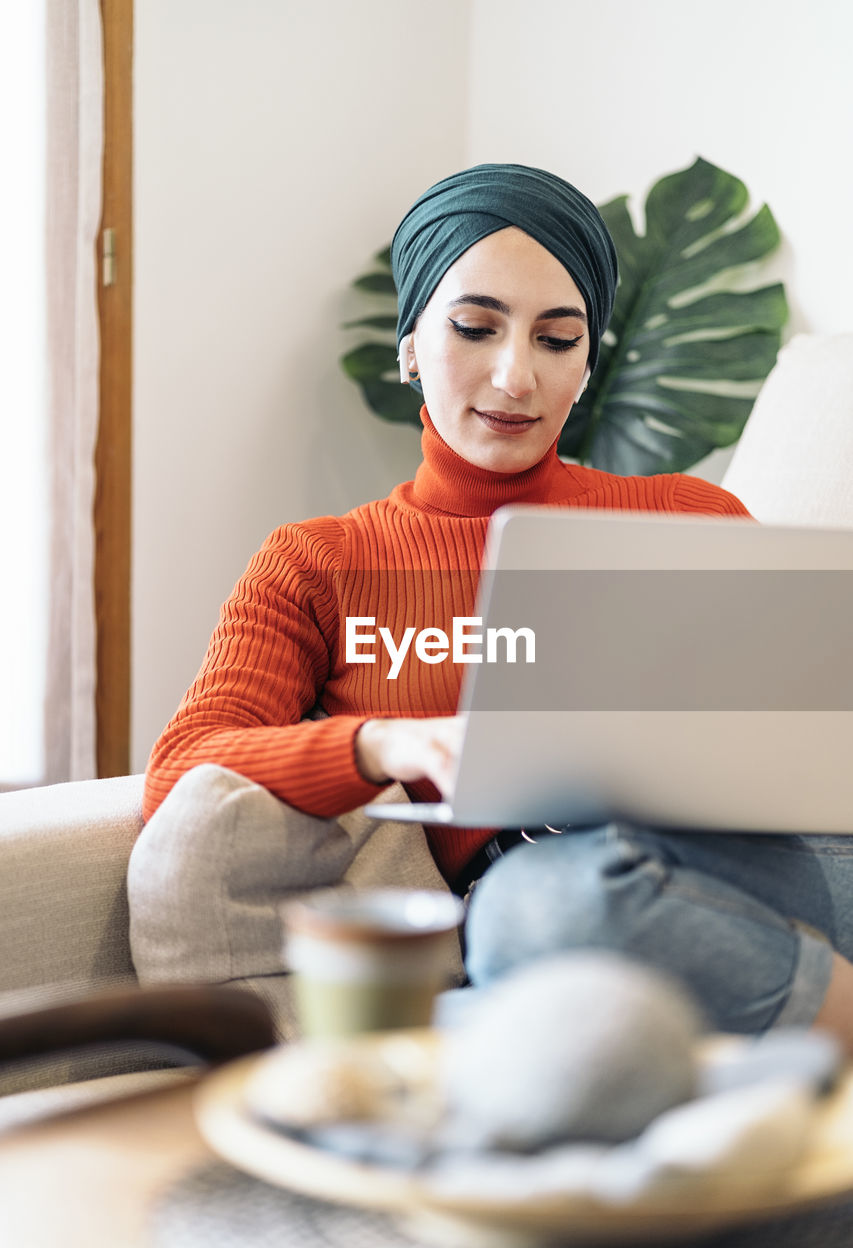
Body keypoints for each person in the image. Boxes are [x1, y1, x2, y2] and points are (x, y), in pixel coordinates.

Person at [139, 163, 853, 1051]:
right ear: (409, 344)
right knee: (535, 912)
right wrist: (383, 744)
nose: (515, 376)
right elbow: (183, 769)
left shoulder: (686, 517)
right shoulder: (318, 563)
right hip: (546, 899)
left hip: (760, 865)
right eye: (475, 328)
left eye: (558, 340)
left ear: (588, 363)